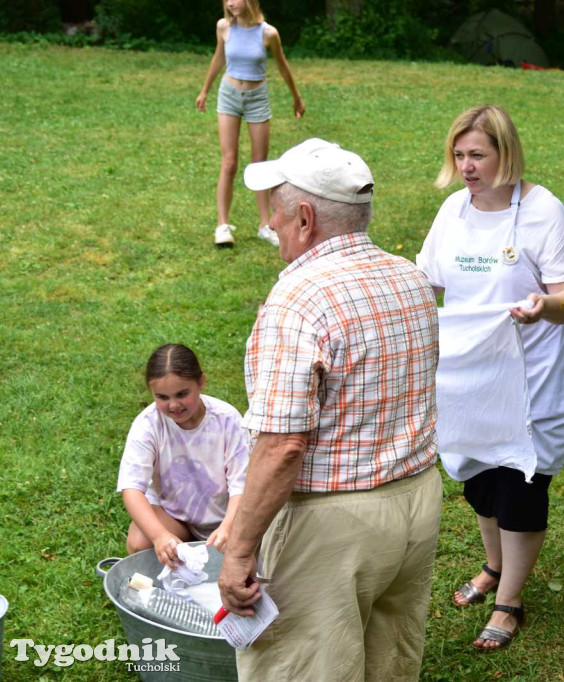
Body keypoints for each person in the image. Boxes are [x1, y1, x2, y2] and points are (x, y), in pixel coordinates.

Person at [218, 138, 442, 681]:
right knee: (390, 666)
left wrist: (240, 553)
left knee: (302, 670)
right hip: (416, 504)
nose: (269, 220)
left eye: (274, 207)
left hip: (333, 524)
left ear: (305, 217)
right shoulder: (411, 278)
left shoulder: (299, 298)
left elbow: (283, 444)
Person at [417, 105, 564, 651]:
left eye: (478, 155)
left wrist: (543, 307)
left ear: (505, 153)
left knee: (521, 486)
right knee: (479, 482)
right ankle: (493, 564)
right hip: (469, 370)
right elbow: (429, 284)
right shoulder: (453, 212)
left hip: (532, 373)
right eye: (459, 155)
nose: (467, 167)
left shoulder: (543, 211)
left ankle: (509, 599)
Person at [117, 344, 249, 568]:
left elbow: (242, 486)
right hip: (175, 517)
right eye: (162, 397)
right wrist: (160, 536)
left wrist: (227, 527)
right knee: (140, 542)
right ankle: (174, 562)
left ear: (201, 382)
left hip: (225, 519)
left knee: (247, 567)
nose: (174, 405)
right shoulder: (148, 424)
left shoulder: (227, 420)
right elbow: (131, 488)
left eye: (182, 394)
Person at [195, 0, 305, 249]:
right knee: (229, 162)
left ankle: (266, 225)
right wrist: (204, 91)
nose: (231, 3)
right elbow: (218, 58)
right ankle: (222, 226)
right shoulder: (223, 27)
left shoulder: (268, 33)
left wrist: (296, 97)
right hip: (229, 95)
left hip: (257, 98)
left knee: (260, 164)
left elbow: (282, 65)